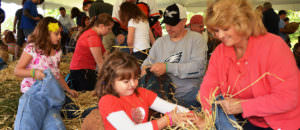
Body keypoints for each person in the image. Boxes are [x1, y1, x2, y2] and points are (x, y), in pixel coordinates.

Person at [199, 0, 300, 129]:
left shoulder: (274, 46)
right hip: (250, 121)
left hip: (282, 122)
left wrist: (243, 106)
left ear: (242, 22)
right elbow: (209, 87)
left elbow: (289, 97)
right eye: (216, 30)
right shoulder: (220, 52)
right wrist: (207, 117)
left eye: (225, 28)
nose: (220, 35)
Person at [96, 51, 194, 129]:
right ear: (111, 81)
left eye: (135, 78)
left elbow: (171, 108)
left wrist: (192, 116)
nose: (132, 84)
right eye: (126, 81)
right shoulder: (108, 101)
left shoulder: (142, 93)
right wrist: (166, 120)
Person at [142, 4, 207, 109]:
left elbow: (198, 68)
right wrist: (145, 69)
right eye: (166, 24)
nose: (168, 28)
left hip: (189, 96)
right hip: (163, 97)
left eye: (173, 24)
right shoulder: (159, 42)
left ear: (184, 21)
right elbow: (146, 64)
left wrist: (167, 67)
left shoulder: (196, 40)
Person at [14, 17, 78, 97]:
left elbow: (57, 74)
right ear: (46, 34)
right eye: (56, 34)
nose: (60, 37)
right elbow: (17, 71)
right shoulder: (32, 49)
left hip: (49, 92)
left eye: (60, 33)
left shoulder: (58, 52)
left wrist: (68, 89)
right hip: (32, 93)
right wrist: (34, 73)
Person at [69, 13, 114, 91]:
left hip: (84, 70)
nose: (110, 31)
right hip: (81, 72)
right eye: (109, 29)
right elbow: (100, 63)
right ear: (101, 26)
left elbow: (105, 54)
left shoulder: (95, 35)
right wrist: (109, 77)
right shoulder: (93, 37)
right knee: (87, 96)